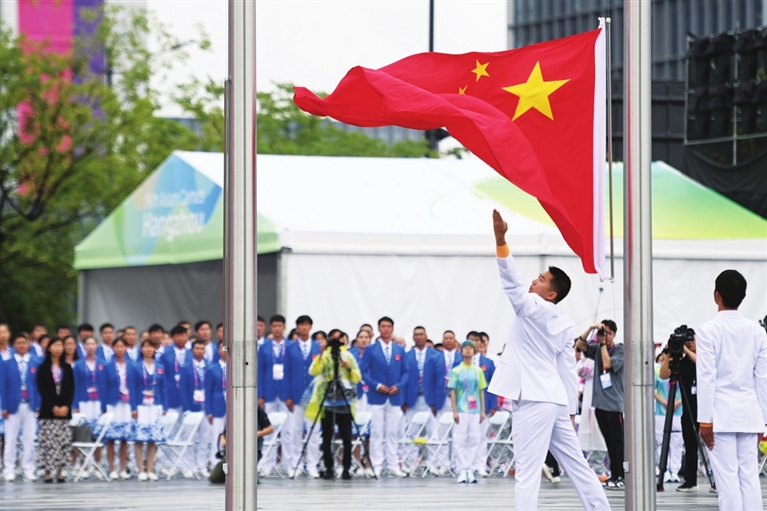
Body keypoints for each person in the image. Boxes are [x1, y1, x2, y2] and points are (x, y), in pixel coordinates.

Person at [488, 210, 610, 511]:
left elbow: (511, 283)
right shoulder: (565, 322)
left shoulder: (531, 306)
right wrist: (569, 410)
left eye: (541, 280)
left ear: (551, 293)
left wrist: (501, 241)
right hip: (554, 400)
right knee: (577, 465)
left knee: (527, 473)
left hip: (532, 398)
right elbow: (567, 368)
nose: (534, 281)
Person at [696, 269, 767, 511]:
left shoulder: (707, 331)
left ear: (716, 295)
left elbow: (707, 377)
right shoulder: (758, 332)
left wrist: (705, 420)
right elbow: (763, 379)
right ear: (743, 296)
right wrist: (763, 421)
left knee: (727, 482)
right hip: (749, 414)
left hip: (720, 416)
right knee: (749, 478)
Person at [575, 320, 625, 490]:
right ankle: (614, 475)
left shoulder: (620, 350)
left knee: (618, 442)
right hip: (599, 404)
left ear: (615, 334)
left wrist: (602, 344)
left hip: (615, 404)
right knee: (609, 442)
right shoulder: (596, 348)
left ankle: (621, 475)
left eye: (609, 333)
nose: (606, 336)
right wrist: (591, 328)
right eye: (604, 333)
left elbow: (607, 364)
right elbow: (579, 345)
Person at [306, 329, 361, 480]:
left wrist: (348, 368)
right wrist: (320, 355)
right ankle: (329, 468)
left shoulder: (348, 356)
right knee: (327, 437)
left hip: (345, 401)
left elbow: (357, 378)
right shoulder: (325, 356)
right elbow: (313, 371)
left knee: (347, 438)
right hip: (327, 401)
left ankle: (346, 469)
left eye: (339, 338)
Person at [360, 316, 409, 478]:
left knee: (393, 432)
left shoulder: (399, 350)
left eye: (388, 326)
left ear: (392, 329)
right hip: (377, 396)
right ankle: (376, 464)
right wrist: (376, 385)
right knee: (376, 431)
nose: (386, 329)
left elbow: (406, 372)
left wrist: (399, 386)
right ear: (379, 329)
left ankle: (393, 464)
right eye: (383, 326)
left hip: (394, 396)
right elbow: (363, 371)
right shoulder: (371, 349)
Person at [658, 329, 701, 492]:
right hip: (688, 410)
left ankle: (718, 483)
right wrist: (668, 354)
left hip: (706, 409)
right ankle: (690, 481)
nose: (689, 343)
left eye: (692, 340)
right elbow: (663, 375)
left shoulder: (704, 357)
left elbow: (701, 364)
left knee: (713, 447)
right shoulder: (682, 363)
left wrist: (686, 351)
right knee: (690, 446)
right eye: (686, 341)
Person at [402, 326, 444, 474]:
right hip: (412, 400)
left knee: (433, 432)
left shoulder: (436, 355)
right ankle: (410, 462)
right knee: (411, 432)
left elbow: (439, 380)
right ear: (413, 337)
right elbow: (403, 379)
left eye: (421, 334)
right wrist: (403, 401)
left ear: (426, 336)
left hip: (429, 401)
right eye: (416, 335)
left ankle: (433, 463)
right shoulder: (407, 356)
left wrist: (436, 401)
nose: (419, 337)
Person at [284, 315, 321, 478]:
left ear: (310, 327)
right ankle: (296, 463)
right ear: (297, 327)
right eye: (301, 325)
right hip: (296, 395)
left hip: (314, 396)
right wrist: (287, 396)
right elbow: (286, 373)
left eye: (307, 325)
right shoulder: (289, 348)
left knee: (314, 432)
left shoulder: (318, 347)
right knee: (296, 430)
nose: (304, 327)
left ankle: (312, 464)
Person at [2, 333, 41, 482]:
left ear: (28, 345)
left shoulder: (35, 362)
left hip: (30, 404)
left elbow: (38, 386)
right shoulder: (7, 363)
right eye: (18, 343)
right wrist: (4, 406)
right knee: (10, 439)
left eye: (24, 343)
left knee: (29, 439)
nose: (21, 346)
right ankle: (9, 469)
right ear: (14, 345)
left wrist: (38, 404)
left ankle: (28, 468)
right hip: (12, 406)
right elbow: (3, 386)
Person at [36, 336, 76, 483]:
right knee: (48, 442)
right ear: (49, 348)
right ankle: (47, 472)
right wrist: (53, 406)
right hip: (48, 410)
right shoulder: (43, 367)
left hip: (64, 411)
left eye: (60, 345)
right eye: (55, 345)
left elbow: (71, 389)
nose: (58, 348)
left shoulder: (67, 367)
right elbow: (42, 389)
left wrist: (66, 406)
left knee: (63, 442)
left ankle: (60, 471)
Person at [449, 339, 487, 483]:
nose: (468, 350)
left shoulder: (478, 371)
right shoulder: (456, 370)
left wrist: (482, 410)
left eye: (471, 348)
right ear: (461, 351)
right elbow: (452, 391)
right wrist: (454, 411)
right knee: (459, 439)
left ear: (474, 351)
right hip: (461, 409)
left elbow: (481, 390)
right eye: (465, 348)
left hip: (475, 410)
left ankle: (470, 469)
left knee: (474, 439)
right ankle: (461, 469)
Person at [257, 314, 290, 475]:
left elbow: (292, 372)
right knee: (268, 429)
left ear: (284, 327)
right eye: (274, 326)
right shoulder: (264, 347)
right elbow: (260, 371)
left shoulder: (291, 346)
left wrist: (291, 394)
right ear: (271, 328)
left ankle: (288, 464)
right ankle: (267, 464)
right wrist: (260, 394)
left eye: (280, 326)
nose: (277, 329)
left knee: (287, 430)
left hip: (286, 393)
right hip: (269, 393)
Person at [100, 337, 137, 480]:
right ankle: (112, 468)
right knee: (111, 437)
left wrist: (134, 406)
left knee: (124, 437)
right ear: (113, 348)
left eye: (122, 347)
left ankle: (122, 468)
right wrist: (103, 406)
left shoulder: (132, 366)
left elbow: (134, 386)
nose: (120, 349)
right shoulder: (107, 366)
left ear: (126, 348)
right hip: (112, 403)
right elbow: (103, 387)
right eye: (117, 346)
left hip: (127, 404)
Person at [131, 339, 166, 481]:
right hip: (141, 405)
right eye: (146, 347)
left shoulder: (160, 367)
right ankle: (141, 470)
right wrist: (133, 407)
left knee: (153, 439)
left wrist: (164, 405)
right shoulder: (135, 367)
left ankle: (150, 469)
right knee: (139, 438)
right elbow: (132, 388)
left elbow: (163, 388)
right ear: (142, 349)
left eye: (151, 347)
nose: (148, 349)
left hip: (155, 405)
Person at [73, 336, 108, 477]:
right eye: (88, 344)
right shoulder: (78, 365)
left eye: (93, 344)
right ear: (84, 347)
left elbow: (106, 385)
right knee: (83, 433)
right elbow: (74, 386)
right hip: (84, 401)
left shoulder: (103, 364)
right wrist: (76, 404)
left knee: (98, 433)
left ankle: (97, 465)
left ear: (96, 346)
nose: (91, 346)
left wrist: (105, 405)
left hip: (98, 402)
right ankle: (84, 465)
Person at [576, 342, 609, 481]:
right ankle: (591, 467)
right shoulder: (587, 362)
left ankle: (599, 467)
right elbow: (581, 371)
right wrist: (589, 358)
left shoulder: (607, 357)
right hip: (590, 403)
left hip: (604, 401)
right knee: (590, 435)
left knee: (602, 435)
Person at [468, 332, 497, 478]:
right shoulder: (460, 362)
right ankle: (467, 465)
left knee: (481, 437)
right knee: (467, 436)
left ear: (481, 343)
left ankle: (480, 465)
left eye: (476, 340)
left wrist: (493, 404)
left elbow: (494, 385)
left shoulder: (488, 363)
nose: (474, 343)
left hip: (483, 404)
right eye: (470, 340)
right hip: (465, 405)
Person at [181, 339, 212, 477]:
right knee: (189, 438)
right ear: (192, 350)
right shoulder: (186, 367)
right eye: (197, 348)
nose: (199, 351)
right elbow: (182, 390)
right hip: (191, 407)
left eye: (202, 348)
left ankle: (201, 466)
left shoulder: (209, 367)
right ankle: (189, 466)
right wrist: (186, 409)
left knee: (205, 438)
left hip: (206, 408)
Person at [654, 350, 682, 484]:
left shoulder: (681, 370)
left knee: (676, 442)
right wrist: (664, 402)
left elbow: (687, 389)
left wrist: (677, 403)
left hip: (678, 411)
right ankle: (663, 469)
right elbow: (652, 389)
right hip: (661, 411)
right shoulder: (657, 371)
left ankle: (675, 470)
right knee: (661, 442)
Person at [205, 342, 227, 470]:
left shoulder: (236, 367)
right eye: (222, 348)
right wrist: (208, 410)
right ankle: (214, 462)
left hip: (232, 405)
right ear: (218, 351)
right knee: (217, 435)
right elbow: (207, 391)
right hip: (217, 405)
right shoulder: (212, 369)